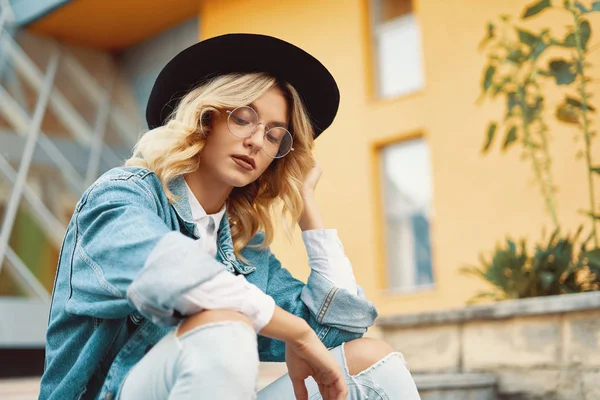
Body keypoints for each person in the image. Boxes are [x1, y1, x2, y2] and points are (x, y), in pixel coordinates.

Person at [39, 33, 421, 400]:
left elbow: (338, 329)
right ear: (206, 118)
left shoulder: (243, 245)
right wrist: (295, 332)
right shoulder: (123, 194)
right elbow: (169, 273)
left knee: (371, 363)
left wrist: (307, 204)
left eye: (275, 135)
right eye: (243, 118)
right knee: (224, 325)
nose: (257, 140)